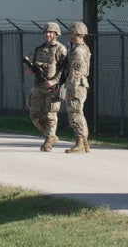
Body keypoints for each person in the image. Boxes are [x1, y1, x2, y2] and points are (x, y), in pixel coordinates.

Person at [26, 22, 68, 152]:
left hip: (52, 88)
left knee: (50, 114)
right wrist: (29, 69)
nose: (48, 35)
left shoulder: (61, 49)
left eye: (50, 32)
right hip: (38, 86)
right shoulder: (40, 49)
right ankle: (51, 135)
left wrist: (54, 81)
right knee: (34, 115)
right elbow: (32, 64)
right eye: (46, 33)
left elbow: (64, 69)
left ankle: (48, 141)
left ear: (56, 34)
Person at [64, 21, 91, 154]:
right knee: (78, 112)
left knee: (75, 113)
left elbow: (75, 72)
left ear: (76, 33)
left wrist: (71, 90)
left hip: (76, 85)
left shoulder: (78, 51)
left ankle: (80, 142)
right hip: (79, 84)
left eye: (71, 32)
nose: (69, 35)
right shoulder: (80, 48)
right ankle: (84, 143)